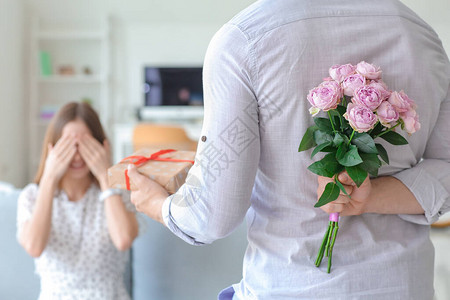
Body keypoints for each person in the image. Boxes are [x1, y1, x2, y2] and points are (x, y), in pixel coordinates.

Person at [127, 0, 450, 299]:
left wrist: (158, 204)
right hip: (405, 287)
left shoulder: (242, 41)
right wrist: (372, 195)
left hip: (288, 287)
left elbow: (213, 216)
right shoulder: (422, 38)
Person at [17, 102, 139, 300]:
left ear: (103, 146)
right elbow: (34, 246)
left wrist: (104, 175)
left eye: (86, 145)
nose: (77, 156)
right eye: (68, 146)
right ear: (53, 149)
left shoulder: (117, 194)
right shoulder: (31, 196)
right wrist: (49, 178)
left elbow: (123, 239)